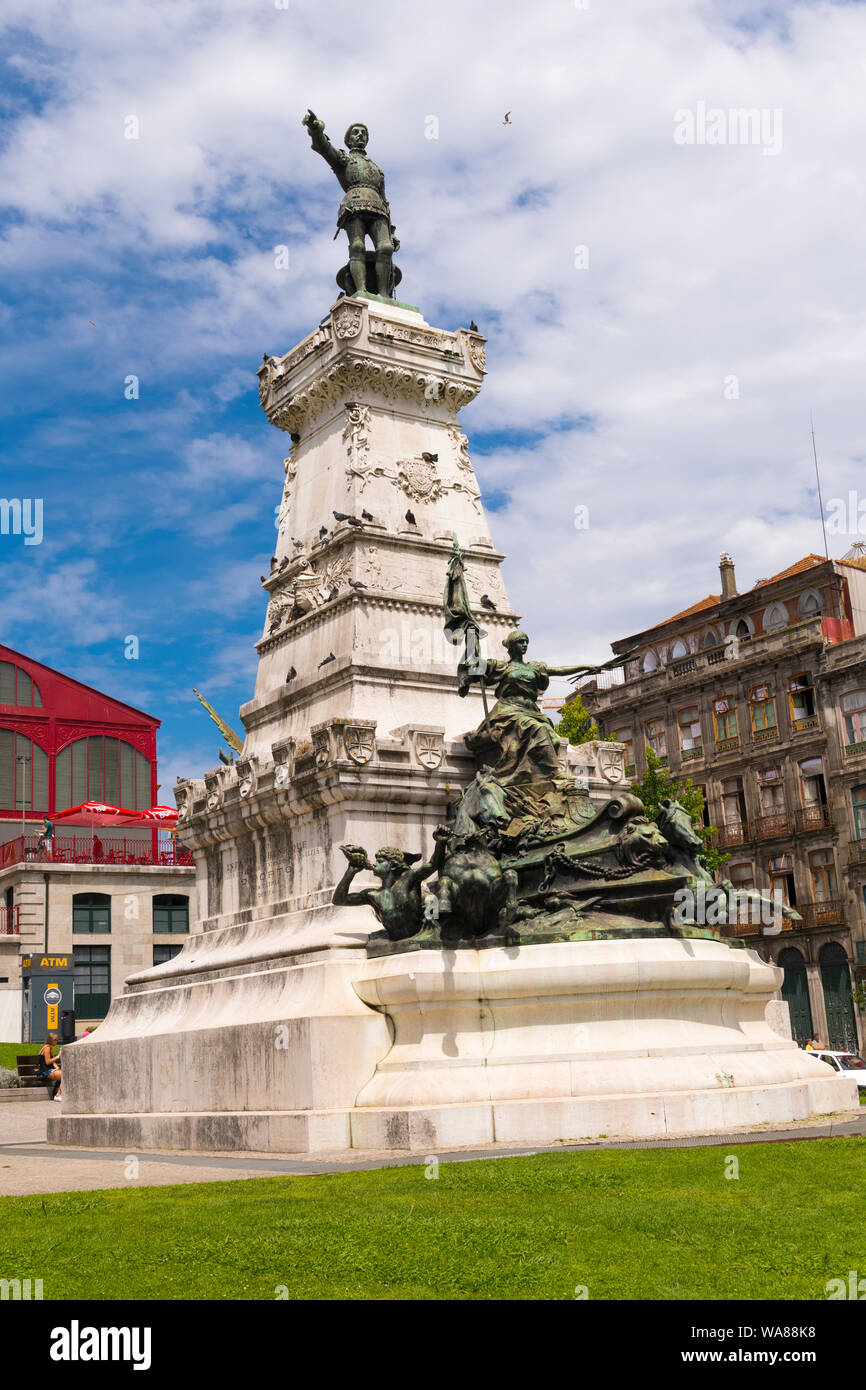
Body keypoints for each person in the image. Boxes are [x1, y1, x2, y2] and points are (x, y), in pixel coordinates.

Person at [38, 1033, 62, 1099]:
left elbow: (52, 1061)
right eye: (55, 1040)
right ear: (51, 1040)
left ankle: (56, 1093)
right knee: (65, 1075)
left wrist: (56, 1067)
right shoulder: (47, 1048)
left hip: (49, 1070)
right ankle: (57, 1095)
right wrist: (58, 1056)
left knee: (65, 1074)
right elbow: (48, 1062)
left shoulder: (48, 1047)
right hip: (46, 1071)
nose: (57, 1041)